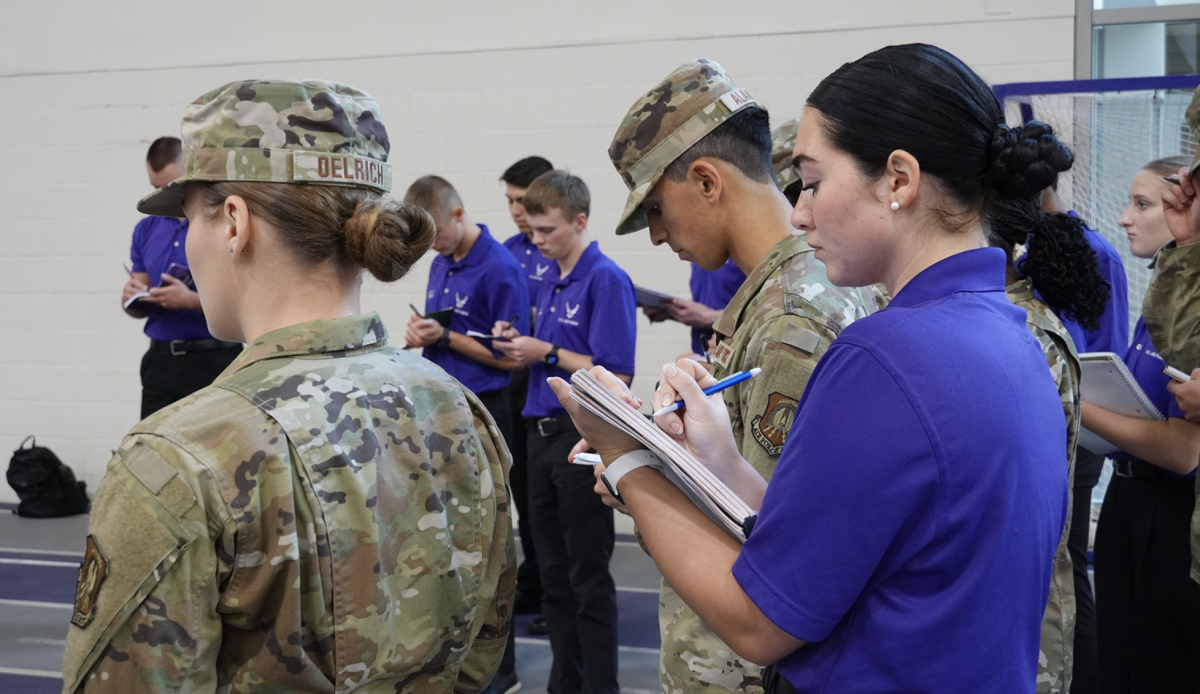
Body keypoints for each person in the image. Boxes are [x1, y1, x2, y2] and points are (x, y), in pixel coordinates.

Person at [555, 44, 1071, 693]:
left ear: (898, 181)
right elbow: (855, 548)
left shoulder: (885, 356)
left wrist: (627, 458)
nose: (798, 212)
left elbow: (760, 623)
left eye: (814, 181)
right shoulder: (1010, 333)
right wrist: (723, 463)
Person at [61, 79, 515, 694]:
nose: (187, 243)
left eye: (191, 217)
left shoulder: (178, 458)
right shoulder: (457, 410)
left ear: (234, 223)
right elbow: (481, 653)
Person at [606, 59, 871, 694]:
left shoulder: (791, 316)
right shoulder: (792, 291)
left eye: (657, 211)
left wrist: (633, 471)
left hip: (739, 669)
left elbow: (759, 534)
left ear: (705, 180)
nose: (658, 235)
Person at [493, 170, 636, 694]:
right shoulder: (547, 277)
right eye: (531, 231)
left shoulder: (604, 278)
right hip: (537, 434)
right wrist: (519, 343)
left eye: (547, 231)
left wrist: (546, 352)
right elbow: (541, 358)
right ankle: (563, 682)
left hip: (580, 442)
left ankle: (600, 686)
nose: (536, 241)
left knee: (586, 579)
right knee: (551, 576)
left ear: (579, 221)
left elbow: (615, 374)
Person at [988, 141, 1112, 693]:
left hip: (1075, 428)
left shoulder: (1023, 315)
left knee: (1062, 570)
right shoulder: (1039, 272)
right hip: (1071, 424)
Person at [1083, 155, 1200, 694]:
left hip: (1172, 513)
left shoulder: (1190, 314)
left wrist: (1074, 403)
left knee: (1158, 668)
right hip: (1128, 501)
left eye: (1143, 203)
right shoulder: (1160, 302)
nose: (1126, 217)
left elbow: (1182, 451)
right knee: (1119, 666)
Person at [1039, 178, 1128, 694]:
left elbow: (1106, 349)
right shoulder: (1026, 243)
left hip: (1080, 417)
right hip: (1052, 415)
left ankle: (1084, 680)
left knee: (1066, 561)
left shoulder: (1095, 251)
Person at [121, 137, 242, 419]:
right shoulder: (146, 228)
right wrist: (131, 297)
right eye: (155, 188)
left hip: (215, 359)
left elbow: (244, 299)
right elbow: (134, 307)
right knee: (152, 454)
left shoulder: (224, 224)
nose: (161, 195)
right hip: (160, 362)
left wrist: (190, 301)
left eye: (168, 186)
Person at [403, 174, 529, 444]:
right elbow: (442, 327)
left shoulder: (501, 268)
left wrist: (445, 337)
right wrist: (421, 333)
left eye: (435, 233)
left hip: (481, 407)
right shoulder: (441, 262)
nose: (430, 245)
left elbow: (514, 359)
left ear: (457, 213)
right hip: (436, 401)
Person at [499, 156, 556, 629]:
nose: (518, 212)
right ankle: (532, 583)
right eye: (511, 202)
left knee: (546, 497)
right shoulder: (509, 251)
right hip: (512, 380)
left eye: (523, 201)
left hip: (547, 380)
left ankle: (546, 585)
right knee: (523, 491)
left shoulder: (558, 252)